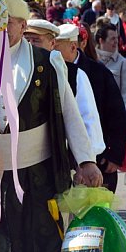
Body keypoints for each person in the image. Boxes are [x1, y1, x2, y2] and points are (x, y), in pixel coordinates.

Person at [0, 0, 102, 252]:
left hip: (38, 174)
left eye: (6, 20)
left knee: (40, 249)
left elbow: (70, 113)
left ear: (22, 24)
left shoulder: (47, 62)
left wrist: (86, 160)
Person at [56, 24, 126, 192]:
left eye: (56, 46)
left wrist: (115, 154)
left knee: (96, 213)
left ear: (73, 46)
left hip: (100, 158)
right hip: (65, 159)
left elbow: (116, 115)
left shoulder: (98, 72)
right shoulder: (51, 70)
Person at [25, 20, 106, 167]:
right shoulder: (15, 72)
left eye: (36, 40)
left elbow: (87, 119)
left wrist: (86, 162)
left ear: (52, 44)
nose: (30, 45)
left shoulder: (74, 74)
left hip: (59, 160)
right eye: (26, 40)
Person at [95, 23, 126, 108]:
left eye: (117, 38)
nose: (116, 42)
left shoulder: (123, 63)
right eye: (112, 39)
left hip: (113, 114)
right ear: (101, 41)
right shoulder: (91, 60)